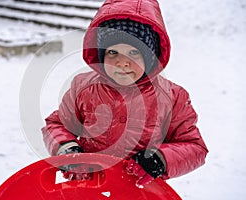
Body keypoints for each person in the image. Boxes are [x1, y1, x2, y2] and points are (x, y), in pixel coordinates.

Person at [42, 0, 208, 187]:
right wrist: (66, 147)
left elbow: (195, 147)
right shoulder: (83, 88)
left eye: (133, 52)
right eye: (113, 52)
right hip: (88, 188)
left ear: (150, 56)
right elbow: (56, 124)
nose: (122, 63)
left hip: (139, 191)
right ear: (101, 54)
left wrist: (161, 159)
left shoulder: (172, 97)